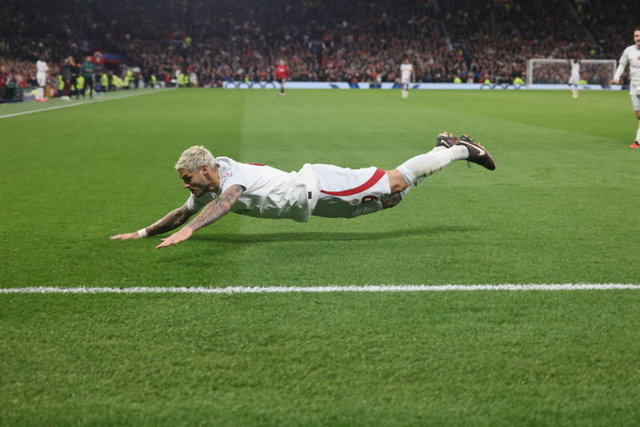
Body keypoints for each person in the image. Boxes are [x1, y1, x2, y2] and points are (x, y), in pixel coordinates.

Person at [110, 132, 496, 248]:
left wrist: (190, 231)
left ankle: (462, 150)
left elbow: (228, 202)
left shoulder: (229, 175)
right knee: (393, 199)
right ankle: (442, 149)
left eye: (187, 178)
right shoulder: (204, 190)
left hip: (319, 186)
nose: (185, 184)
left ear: (206, 169)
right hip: (314, 207)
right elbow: (181, 213)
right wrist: (141, 233)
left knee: (393, 182)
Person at [612, 28, 640, 149]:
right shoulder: (629, 50)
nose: (638, 38)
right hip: (634, 87)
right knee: (638, 115)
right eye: (636, 36)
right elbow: (622, 64)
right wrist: (616, 77)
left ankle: (638, 141)